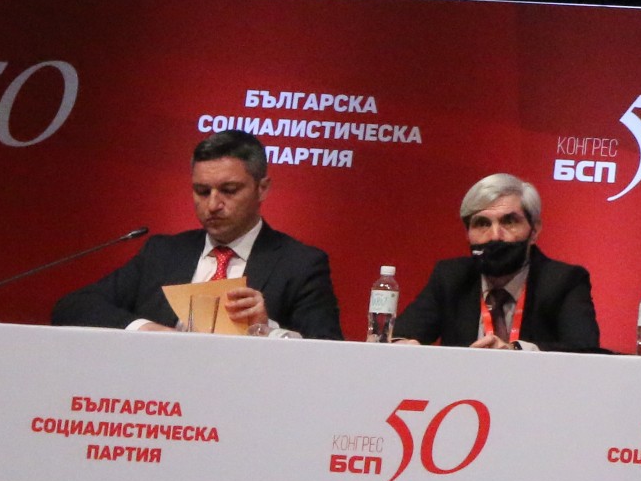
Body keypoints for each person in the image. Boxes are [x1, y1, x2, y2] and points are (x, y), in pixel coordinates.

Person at [50, 129, 341, 338]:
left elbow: (329, 354)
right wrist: (147, 330)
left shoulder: (300, 264)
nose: (213, 205)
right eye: (202, 191)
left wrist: (268, 331)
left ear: (262, 189)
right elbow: (73, 307)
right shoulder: (162, 253)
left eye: (229, 190)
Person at [390, 173, 599, 351]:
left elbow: (586, 351)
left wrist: (516, 351)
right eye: (482, 224)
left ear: (534, 231)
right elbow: (402, 335)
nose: (495, 236)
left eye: (509, 221)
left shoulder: (564, 281)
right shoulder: (451, 277)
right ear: (467, 234)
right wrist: (401, 344)